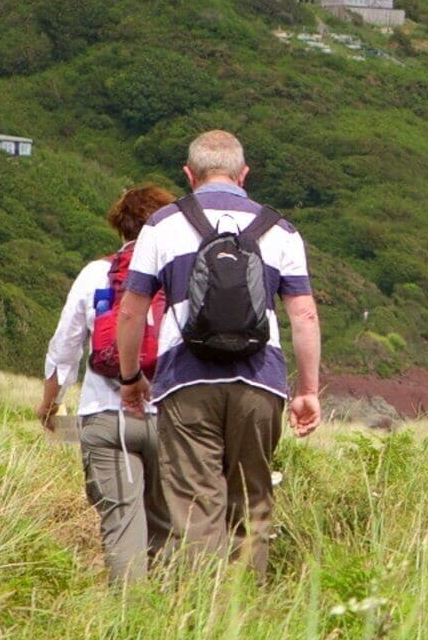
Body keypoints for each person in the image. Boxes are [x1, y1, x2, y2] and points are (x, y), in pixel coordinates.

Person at [113, 129, 322, 576]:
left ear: (189, 175)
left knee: (195, 510)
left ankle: (202, 624)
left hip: (186, 382)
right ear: (243, 174)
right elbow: (304, 315)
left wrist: (131, 380)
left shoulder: (162, 225)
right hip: (260, 382)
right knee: (252, 506)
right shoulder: (281, 230)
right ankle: (245, 622)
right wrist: (308, 390)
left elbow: (131, 313)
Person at [42, 184, 179, 585]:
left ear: (121, 228)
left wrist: (50, 404)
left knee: (123, 523)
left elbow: (63, 349)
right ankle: (175, 623)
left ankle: (129, 622)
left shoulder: (95, 273)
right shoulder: (182, 276)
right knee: (169, 524)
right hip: (171, 419)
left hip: (107, 417)